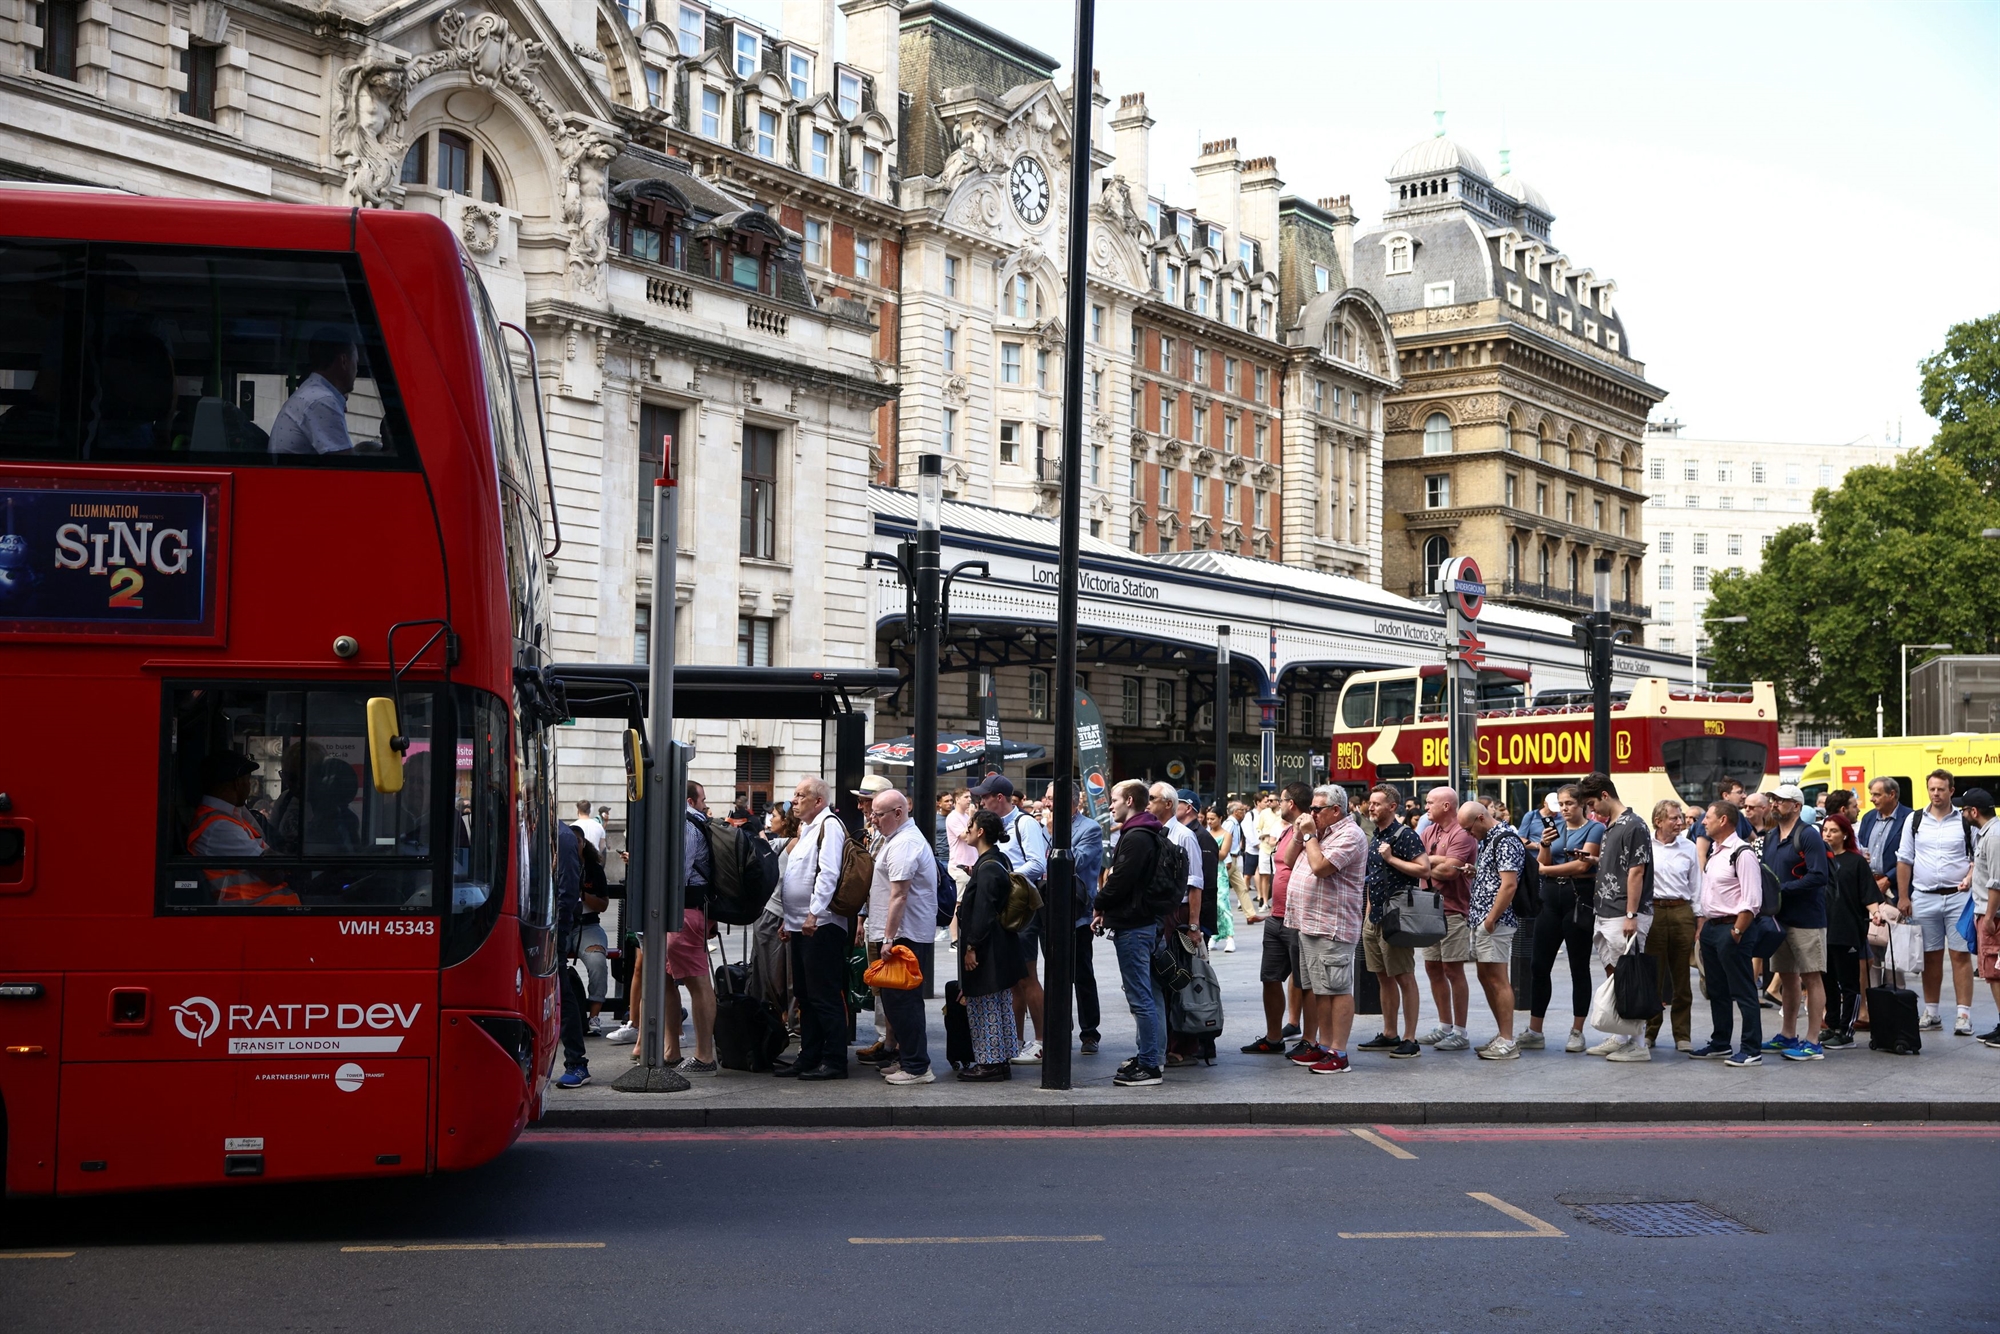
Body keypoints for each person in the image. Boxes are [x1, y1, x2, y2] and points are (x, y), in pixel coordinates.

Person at [1284, 784, 1366, 1074]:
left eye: (1317, 809)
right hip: (1309, 923)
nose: (1311, 814)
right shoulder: (1321, 832)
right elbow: (1288, 860)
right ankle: (1325, 1045)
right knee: (1320, 988)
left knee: (1337, 988)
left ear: (1335, 810)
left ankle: (1339, 1053)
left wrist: (1309, 835)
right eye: (1311, 809)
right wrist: (1301, 834)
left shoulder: (1350, 835)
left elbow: (1320, 868)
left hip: (1333, 925)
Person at [968, 775, 1049, 1064]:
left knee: (1027, 977)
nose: (981, 801)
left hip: (1019, 909)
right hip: (1004, 908)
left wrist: (1002, 877)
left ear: (999, 798)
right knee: (1013, 979)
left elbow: (1037, 864)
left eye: (985, 797)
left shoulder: (1024, 823)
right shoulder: (999, 825)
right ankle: (1016, 1041)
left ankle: (1041, 1042)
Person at [1094, 779, 1170, 1086]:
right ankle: (1148, 1056)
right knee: (1144, 994)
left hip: (1135, 927)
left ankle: (1150, 1065)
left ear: (1129, 800)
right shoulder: (1143, 831)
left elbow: (1120, 881)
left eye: (1114, 799)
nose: (1110, 805)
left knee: (1141, 997)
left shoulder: (1137, 836)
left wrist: (1099, 902)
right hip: (1141, 923)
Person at [775, 776, 851, 1080]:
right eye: (794, 795)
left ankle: (834, 1060)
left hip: (821, 925)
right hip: (801, 925)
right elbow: (800, 874)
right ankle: (809, 1055)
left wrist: (814, 913)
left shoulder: (829, 826)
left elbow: (828, 873)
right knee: (805, 995)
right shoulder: (807, 828)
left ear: (818, 801)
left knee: (824, 995)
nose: (793, 801)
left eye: (800, 795)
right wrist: (789, 919)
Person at [1576, 772, 1654, 1060]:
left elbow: (1636, 872)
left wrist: (1631, 914)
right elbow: (1624, 866)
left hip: (1623, 912)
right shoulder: (1613, 825)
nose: (1592, 811)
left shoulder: (1633, 825)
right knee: (1618, 974)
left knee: (1630, 976)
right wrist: (1597, 860)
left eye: (1592, 804)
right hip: (1608, 911)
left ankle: (1638, 1044)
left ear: (1605, 795)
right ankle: (1623, 1036)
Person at [1896, 768, 1979, 1035]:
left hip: (1959, 897)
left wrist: (1970, 877)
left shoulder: (1964, 820)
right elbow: (1904, 859)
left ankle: (1963, 1015)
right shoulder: (1915, 820)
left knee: (1960, 955)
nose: (1936, 794)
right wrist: (1903, 896)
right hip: (1924, 896)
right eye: (1932, 789)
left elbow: (1978, 857)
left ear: (1951, 791)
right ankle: (1931, 1012)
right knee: (1930, 957)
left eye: (1941, 789)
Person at [865, 789, 939, 1085]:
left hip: (904, 936)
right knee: (897, 1002)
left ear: (898, 813)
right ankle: (909, 1060)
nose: (873, 819)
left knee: (904, 1002)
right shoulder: (897, 839)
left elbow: (900, 894)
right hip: (901, 934)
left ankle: (917, 1067)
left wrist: (888, 938)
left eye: (878, 814)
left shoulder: (905, 843)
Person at [1523, 784, 1603, 1052]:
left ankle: (1577, 1031)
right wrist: (1545, 844)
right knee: (1538, 965)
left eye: (1569, 803)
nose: (1564, 808)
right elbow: (1543, 861)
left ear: (1581, 804)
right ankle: (1535, 1030)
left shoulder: (1594, 828)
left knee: (1578, 966)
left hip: (1577, 897)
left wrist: (1545, 870)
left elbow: (1582, 865)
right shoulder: (1555, 827)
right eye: (1561, 803)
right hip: (1550, 898)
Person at [1690, 800, 1767, 1065]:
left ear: (1723, 820)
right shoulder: (1715, 851)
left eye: (1708, 817)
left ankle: (1751, 1049)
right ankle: (1721, 1042)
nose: (1703, 822)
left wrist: (1736, 931)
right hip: (1712, 929)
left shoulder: (1742, 852)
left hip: (1732, 928)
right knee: (1716, 989)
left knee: (1743, 990)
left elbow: (1752, 899)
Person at [1355, 783, 1428, 1059]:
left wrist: (1392, 859)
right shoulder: (1376, 835)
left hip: (1397, 918)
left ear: (1392, 807)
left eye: (1376, 803)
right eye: (1370, 803)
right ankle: (1389, 1033)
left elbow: (1424, 869)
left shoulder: (1405, 835)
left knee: (1404, 977)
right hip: (1374, 917)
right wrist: (1367, 913)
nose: (1371, 807)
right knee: (1383, 977)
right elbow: (1373, 878)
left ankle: (1410, 1038)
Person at [1762, 782, 1831, 1060]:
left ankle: (1813, 1041)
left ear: (1797, 806)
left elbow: (1819, 875)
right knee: (1787, 976)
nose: (1774, 804)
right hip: (1779, 918)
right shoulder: (1771, 836)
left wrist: (1782, 889)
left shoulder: (1809, 835)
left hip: (1806, 919)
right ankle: (1787, 1034)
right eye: (1773, 799)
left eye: (1780, 800)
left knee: (1811, 977)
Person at [1241, 781, 1311, 1056]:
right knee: (1269, 977)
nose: (1277, 805)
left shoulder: (1310, 832)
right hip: (1276, 916)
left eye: (1280, 800)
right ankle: (1273, 1038)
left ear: (1291, 803)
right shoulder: (1285, 831)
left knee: (1305, 982)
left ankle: (1309, 1040)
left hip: (1299, 917)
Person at [957, 809, 1026, 1080]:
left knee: (984, 1004)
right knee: (998, 1002)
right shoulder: (998, 860)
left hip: (987, 947)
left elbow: (983, 910)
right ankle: (1000, 1059)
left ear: (980, 831)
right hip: (999, 943)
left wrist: (971, 947)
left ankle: (989, 1063)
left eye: (970, 826)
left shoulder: (987, 868)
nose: (967, 830)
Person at [187, 750, 299, 906]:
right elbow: (272, 872)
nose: (249, 786)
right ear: (238, 783)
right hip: (258, 911)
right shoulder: (219, 826)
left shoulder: (227, 816)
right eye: (248, 780)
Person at [1459, 799, 1525, 1060]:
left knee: (1497, 978)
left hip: (1494, 921)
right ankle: (1502, 1035)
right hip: (1483, 918)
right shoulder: (1489, 839)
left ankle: (1507, 1040)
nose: (1468, 834)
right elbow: (1497, 877)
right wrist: (1476, 872)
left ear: (1480, 818)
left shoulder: (1505, 839)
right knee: (1486, 975)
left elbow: (1509, 885)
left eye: (1468, 828)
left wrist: (1491, 919)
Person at [1416, 785, 1479, 1051]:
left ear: (1446, 806)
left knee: (1453, 969)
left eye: (1430, 802)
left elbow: (1451, 872)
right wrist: (1435, 861)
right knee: (1432, 967)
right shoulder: (1428, 831)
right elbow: (1417, 862)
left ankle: (1460, 1032)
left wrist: (1426, 863)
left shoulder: (1462, 833)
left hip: (1453, 910)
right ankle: (1444, 1026)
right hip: (1427, 909)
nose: (1425, 807)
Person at [1644, 799, 1702, 1053]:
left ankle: (1682, 1034)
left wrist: (1699, 920)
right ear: (1659, 821)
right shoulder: (1645, 845)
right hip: (1654, 911)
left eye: (1680, 817)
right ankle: (1650, 1030)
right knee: (1653, 976)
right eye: (1674, 818)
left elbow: (1696, 884)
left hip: (1681, 911)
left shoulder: (1688, 847)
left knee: (1681, 978)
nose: (1680, 822)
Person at [1819, 811, 1877, 1048]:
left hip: (1848, 930)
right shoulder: (1818, 860)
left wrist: (1876, 913)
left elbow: (1869, 894)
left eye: (1833, 831)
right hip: (1823, 929)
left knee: (1849, 982)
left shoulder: (1856, 862)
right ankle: (1831, 1024)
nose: (1827, 835)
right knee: (1828, 981)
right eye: (1825, 830)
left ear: (1845, 834)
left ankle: (1846, 1030)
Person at [268, 334, 361, 455]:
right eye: (356, 363)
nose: (357, 370)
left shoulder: (312, 393)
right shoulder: (321, 400)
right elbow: (346, 462)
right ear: (344, 361)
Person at [1066, 789, 1106, 1054]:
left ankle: (1089, 1032)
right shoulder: (1041, 827)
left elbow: (1075, 861)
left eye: (1052, 798)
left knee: (1082, 974)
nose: (1047, 802)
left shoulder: (1089, 828)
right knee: (1056, 974)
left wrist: (1054, 835)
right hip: (1050, 911)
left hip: (1078, 913)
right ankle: (1060, 1026)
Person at [553, 820, 591, 1089]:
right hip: (528, 922)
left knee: (560, 990)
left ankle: (577, 1062)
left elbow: (567, 891)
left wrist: (556, 929)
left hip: (549, 927)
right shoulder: (525, 827)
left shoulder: (562, 837)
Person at [1963, 788, 2000, 1047]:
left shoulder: (1994, 836)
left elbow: (1997, 882)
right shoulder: (1988, 833)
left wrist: (1988, 917)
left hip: (1994, 916)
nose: (1963, 814)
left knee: (1995, 972)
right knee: (1993, 972)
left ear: (1974, 811)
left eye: (1964, 810)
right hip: (1989, 912)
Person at [1251, 791, 1285, 910]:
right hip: (1265, 847)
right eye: (1267, 800)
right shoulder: (1264, 813)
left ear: (1278, 802)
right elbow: (1258, 828)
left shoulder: (1283, 813)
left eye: (1271, 800)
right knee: (1264, 874)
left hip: (1278, 847)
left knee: (1278, 875)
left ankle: (1276, 901)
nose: (1268, 802)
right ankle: (1264, 901)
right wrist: (1262, 837)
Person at [946, 789, 978, 873]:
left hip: (972, 865)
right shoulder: (953, 817)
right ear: (957, 799)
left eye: (970, 797)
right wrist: (971, 817)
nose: (969, 799)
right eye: (966, 797)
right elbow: (965, 836)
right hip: (960, 867)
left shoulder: (966, 817)